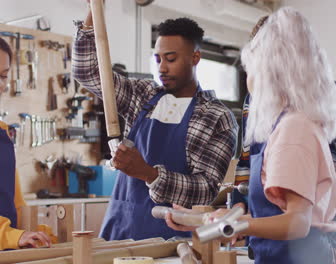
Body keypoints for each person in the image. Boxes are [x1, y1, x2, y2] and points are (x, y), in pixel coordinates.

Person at [166, 7, 336, 263]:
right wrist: (205, 222)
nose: (248, 81)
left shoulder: (294, 130)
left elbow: (296, 223)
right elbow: (270, 213)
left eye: (250, 71)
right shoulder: (282, 126)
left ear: (270, 74)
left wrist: (239, 224)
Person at [72, 4, 238, 241]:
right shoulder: (142, 95)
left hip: (173, 243)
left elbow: (205, 190)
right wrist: (94, 7)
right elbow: (86, 71)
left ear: (195, 57)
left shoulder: (216, 117)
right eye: (158, 58)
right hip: (119, 234)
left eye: (171, 59)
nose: (162, 68)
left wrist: (148, 174)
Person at [231, 14, 336, 264]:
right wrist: (236, 212)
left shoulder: (326, 93)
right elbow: (246, 163)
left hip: (309, 235)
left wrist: (332, 219)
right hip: (268, 234)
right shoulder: (254, 101)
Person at [0, 37, 51, 250]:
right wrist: (12, 236)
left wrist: (37, 233)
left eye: (3, 76)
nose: (0, 85)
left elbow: (15, 205)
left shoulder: (3, 133)